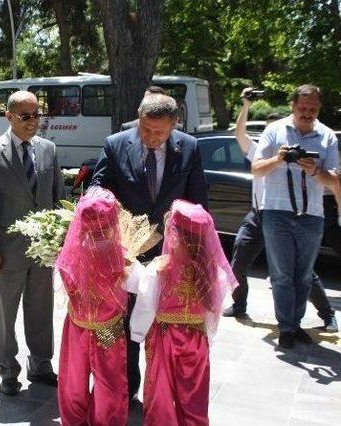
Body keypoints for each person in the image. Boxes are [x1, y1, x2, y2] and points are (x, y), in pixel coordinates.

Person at [90, 93, 208, 404]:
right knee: (128, 325)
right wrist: (97, 203)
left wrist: (196, 250)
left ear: (174, 125)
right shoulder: (116, 144)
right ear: (139, 119)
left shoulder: (190, 147)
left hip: (172, 255)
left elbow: (198, 201)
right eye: (145, 130)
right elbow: (98, 185)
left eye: (159, 132)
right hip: (128, 255)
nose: (151, 138)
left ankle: (162, 392)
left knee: (163, 327)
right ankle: (126, 390)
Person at [223, 87, 338, 332]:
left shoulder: (322, 136)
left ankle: (327, 314)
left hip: (288, 213)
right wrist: (245, 106)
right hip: (259, 215)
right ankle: (239, 304)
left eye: (312, 110)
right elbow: (240, 135)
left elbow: (333, 178)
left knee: (302, 272)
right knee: (238, 264)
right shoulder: (262, 149)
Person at [0, 90, 65, 396]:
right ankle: (8, 371)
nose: (33, 121)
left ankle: (40, 365)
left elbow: (59, 200)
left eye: (37, 115)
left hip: (43, 251)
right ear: (9, 117)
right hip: (7, 252)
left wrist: (62, 241)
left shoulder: (49, 150)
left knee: (41, 311)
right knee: (5, 314)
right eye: (26, 116)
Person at [131, 200, 238, 426]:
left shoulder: (158, 268)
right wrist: (207, 336)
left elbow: (146, 306)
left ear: (174, 233)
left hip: (163, 337)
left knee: (160, 394)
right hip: (196, 339)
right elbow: (214, 311)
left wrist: (137, 333)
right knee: (194, 395)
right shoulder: (212, 272)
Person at [55, 188, 151, 425]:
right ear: (113, 222)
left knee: (73, 380)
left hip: (76, 327)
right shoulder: (125, 259)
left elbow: (58, 286)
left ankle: (74, 419)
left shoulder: (68, 256)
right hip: (108, 331)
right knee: (109, 382)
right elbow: (142, 288)